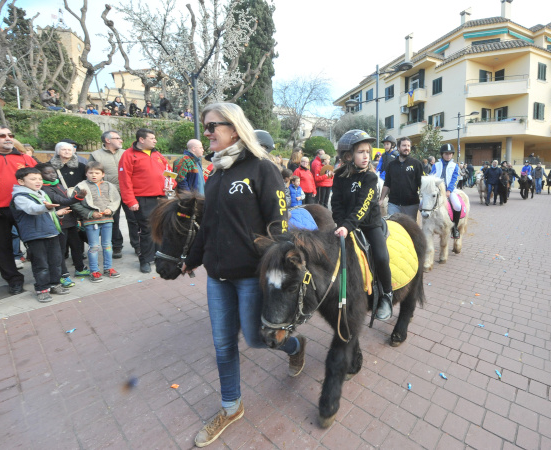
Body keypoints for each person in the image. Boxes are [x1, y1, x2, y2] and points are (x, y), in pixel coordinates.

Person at [181, 102, 305, 447]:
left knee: (256, 339)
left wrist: (277, 272)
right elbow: (206, 225)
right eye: (205, 128)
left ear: (234, 128)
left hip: (251, 275)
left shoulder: (262, 169)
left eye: (211, 127)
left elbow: (279, 226)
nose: (206, 133)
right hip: (217, 276)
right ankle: (231, 406)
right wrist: (192, 258)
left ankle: (295, 345)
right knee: (223, 346)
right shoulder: (215, 173)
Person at [332, 129, 393, 321]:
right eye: (361, 152)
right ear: (348, 155)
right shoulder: (339, 176)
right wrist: (341, 224)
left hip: (369, 224)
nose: (366, 156)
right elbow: (336, 204)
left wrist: (347, 226)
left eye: (368, 151)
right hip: (346, 225)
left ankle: (387, 295)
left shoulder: (370, 177)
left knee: (382, 256)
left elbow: (363, 206)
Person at [0, 125, 37, 294]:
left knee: (35, 242)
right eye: (1, 135)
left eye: (10, 135)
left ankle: (43, 274)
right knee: (1, 247)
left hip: (23, 207)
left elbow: (43, 176)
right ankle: (13, 279)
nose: (8, 138)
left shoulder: (25, 158)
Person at [11, 167, 71, 302]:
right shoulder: (20, 196)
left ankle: (55, 284)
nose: (38, 181)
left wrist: (56, 214)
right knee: (41, 264)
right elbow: (32, 209)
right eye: (33, 179)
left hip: (51, 233)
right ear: (21, 182)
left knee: (56, 260)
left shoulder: (41, 193)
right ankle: (42, 289)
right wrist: (46, 207)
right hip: (35, 236)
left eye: (39, 178)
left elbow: (46, 214)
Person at [119, 128, 170, 273]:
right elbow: (125, 180)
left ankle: (159, 256)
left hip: (161, 198)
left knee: (160, 227)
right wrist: (131, 201)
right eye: (152, 138)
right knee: (146, 230)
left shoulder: (157, 154)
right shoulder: (128, 155)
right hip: (142, 199)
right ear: (142, 140)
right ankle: (145, 260)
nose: (155, 141)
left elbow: (169, 171)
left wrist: (171, 183)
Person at [88, 131, 139, 259]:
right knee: (113, 220)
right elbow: (91, 173)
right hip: (109, 193)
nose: (121, 140)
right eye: (117, 138)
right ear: (107, 140)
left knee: (134, 219)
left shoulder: (126, 153)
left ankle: (137, 245)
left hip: (128, 191)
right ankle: (116, 246)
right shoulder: (96, 155)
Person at [38, 163, 90, 286]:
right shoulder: (45, 188)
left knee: (77, 246)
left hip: (70, 220)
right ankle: (63, 274)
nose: (52, 174)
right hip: (60, 222)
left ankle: (80, 268)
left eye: (53, 172)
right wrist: (78, 198)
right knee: (60, 250)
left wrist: (76, 217)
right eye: (47, 173)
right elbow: (62, 200)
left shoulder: (57, 183)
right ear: (41, 175)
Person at [71, 161, 121, 283]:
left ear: (103, 174)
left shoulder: (109, 185)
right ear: (86, 174)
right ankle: (94, 270)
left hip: (107, 220)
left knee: (107, 245)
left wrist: (111, 209)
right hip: (91, 221)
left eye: (97, 173)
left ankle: (108, 268)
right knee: (93, 246)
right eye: (90, 173)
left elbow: (116, 199)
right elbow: (75, 203)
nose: (94, 175)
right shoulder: (81, 187)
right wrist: (90, 213)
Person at [380, 136, 423, 222]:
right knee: (393, 228)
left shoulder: (416, 164)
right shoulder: (391, 165)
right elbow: (387, 184)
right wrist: (381, 199)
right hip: (393, 204)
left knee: (409, 231)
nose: (406, 148)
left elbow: (421, 184)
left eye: (408, 146)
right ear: (398, 148)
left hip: (411, 204)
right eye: (404, 145)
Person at [430, 144, 462, 238]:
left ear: (452, 155)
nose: (448, 155)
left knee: (457, 205)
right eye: (446, 153)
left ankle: (455, 228)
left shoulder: (455, 166)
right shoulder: (436, 165)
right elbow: (431, 177)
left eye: (450, 154)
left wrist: (449, 190)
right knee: (423, 203)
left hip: (450, 191)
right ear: (442, 154)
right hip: (437, 191)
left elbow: (455, 179)